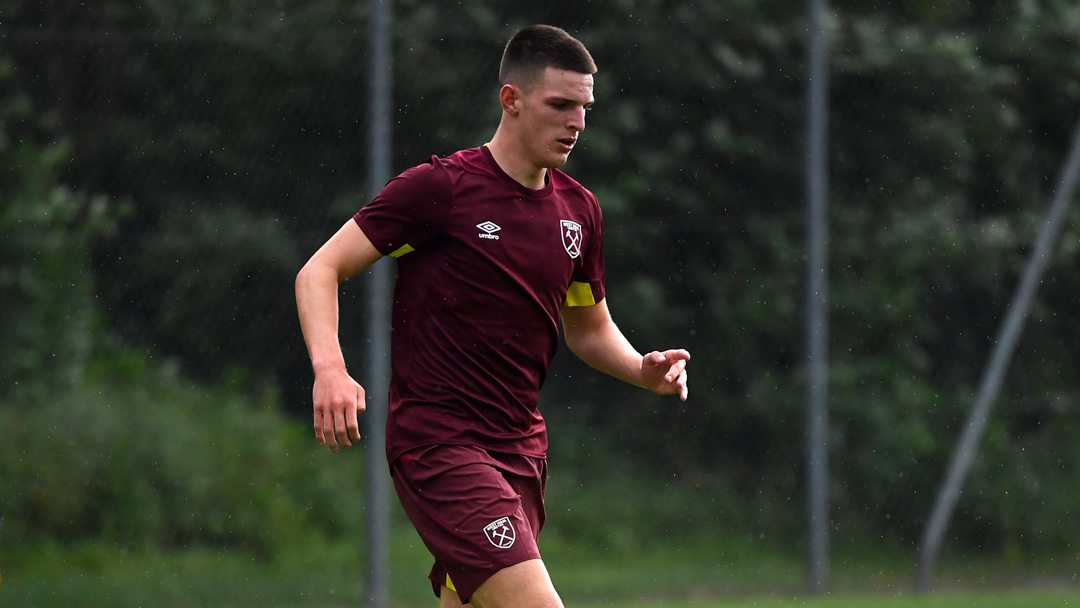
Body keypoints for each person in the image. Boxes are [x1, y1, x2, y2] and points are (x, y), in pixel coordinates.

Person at [295, 24, 690, 608]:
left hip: (522, 451)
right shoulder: (441, 190)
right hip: (440, 445)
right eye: (560, 105)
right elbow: (320, 271)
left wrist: (642, 370)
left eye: (584, 107)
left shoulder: (579, 212)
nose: (576, 123)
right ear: (511, 99)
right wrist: (330, 368)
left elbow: (588, 326)